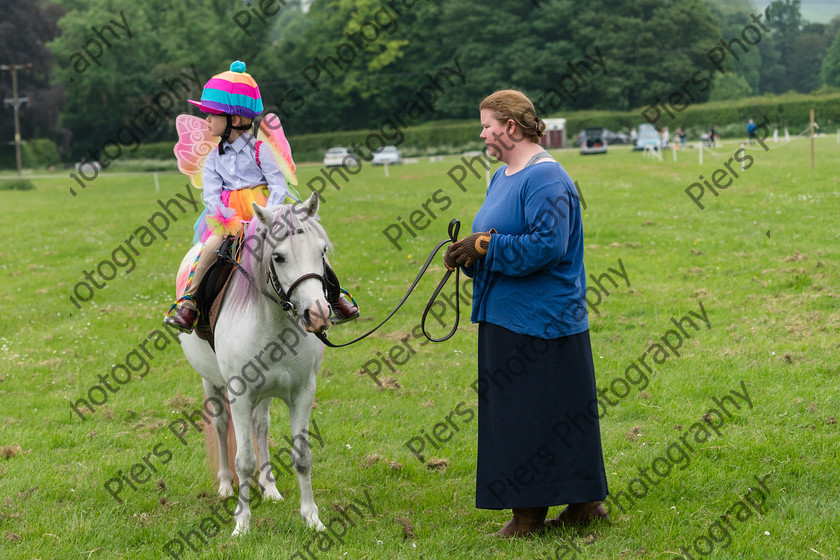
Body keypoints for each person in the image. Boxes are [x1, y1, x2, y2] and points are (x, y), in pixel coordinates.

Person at [444, 89, 608, 538]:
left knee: (528, 413)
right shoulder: (502, 176)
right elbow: (499, 238)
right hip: (507, 312)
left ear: (511, 127)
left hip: (542, 320)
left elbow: (547, 246)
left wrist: (486, 246)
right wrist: (473, 256)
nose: (482, 133)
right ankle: (582, 503)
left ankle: (531, 515)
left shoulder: (547, 178)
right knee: (547, 412)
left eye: (487, 124)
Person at [164, 61, 358, 332]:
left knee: (307, 248)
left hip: (267, 213)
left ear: (233, 119)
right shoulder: (213, 158)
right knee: (209, 251)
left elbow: (277, 185)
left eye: (212, 114)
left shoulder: (259, 151)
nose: (206, 119)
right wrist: (224, 216)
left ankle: (335, 297)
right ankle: (190, 303)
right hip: (230, 218)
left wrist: (270, 215)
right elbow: (211, 194)